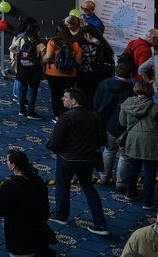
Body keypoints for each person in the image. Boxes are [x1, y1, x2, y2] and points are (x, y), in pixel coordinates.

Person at [47, 87, 109, 236]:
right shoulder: (94, 117)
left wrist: (54, 149)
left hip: (67, 159)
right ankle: (100, 224)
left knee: (62, 186)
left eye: (65, 97)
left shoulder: (66, 117)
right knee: (89, 189)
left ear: (73, 101)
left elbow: (56, 142)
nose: (63, 99)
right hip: (88, 159)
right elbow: (101, 140)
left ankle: (61, 215)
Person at [0, 148, 50, 257]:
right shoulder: (39, 181)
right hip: (38, 236)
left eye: (7, 161)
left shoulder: (9, 187)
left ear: (13, 165)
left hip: (18, 240)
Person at [119, 79, 158, 211]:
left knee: (133, 167)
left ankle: (130, 193)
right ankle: (147, 201)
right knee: (150, 173)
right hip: (152, 141)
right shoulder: (155, 107)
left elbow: (122, 123)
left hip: (134, 139)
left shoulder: (126, 104)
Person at [96, 61, 136, 187]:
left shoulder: (103, 84)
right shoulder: (132, 90)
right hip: (125, 127)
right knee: (124, 156)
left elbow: (96, 103)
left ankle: (104, 178)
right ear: (130, 75)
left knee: (108, 151)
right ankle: (121, 183)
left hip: (107, 124)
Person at [42, 22, 83, 119]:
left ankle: (56, 116)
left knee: (55, 94)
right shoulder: (75, 44)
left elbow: (48, 57)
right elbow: (79, 61)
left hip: (52, 72)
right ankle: (65, 115)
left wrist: (40, 61)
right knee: (66, 95)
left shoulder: (52, 42)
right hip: (69, 74)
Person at [76, 23, 115, 108]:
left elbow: (79, 62)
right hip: (101, 77)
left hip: (86, 78)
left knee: (87, 100)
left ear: (88, 35)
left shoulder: (85, 48)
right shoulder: (106, 46)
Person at [12, 21, 45, 120]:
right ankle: (31, 112)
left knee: (22, 90)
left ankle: (22, 110)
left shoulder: (21, 39)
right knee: (32, 91)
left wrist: (19, 54)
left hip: (23, 68)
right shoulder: (40, 45)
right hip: (34, 70)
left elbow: (11, 48)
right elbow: (43, 60)